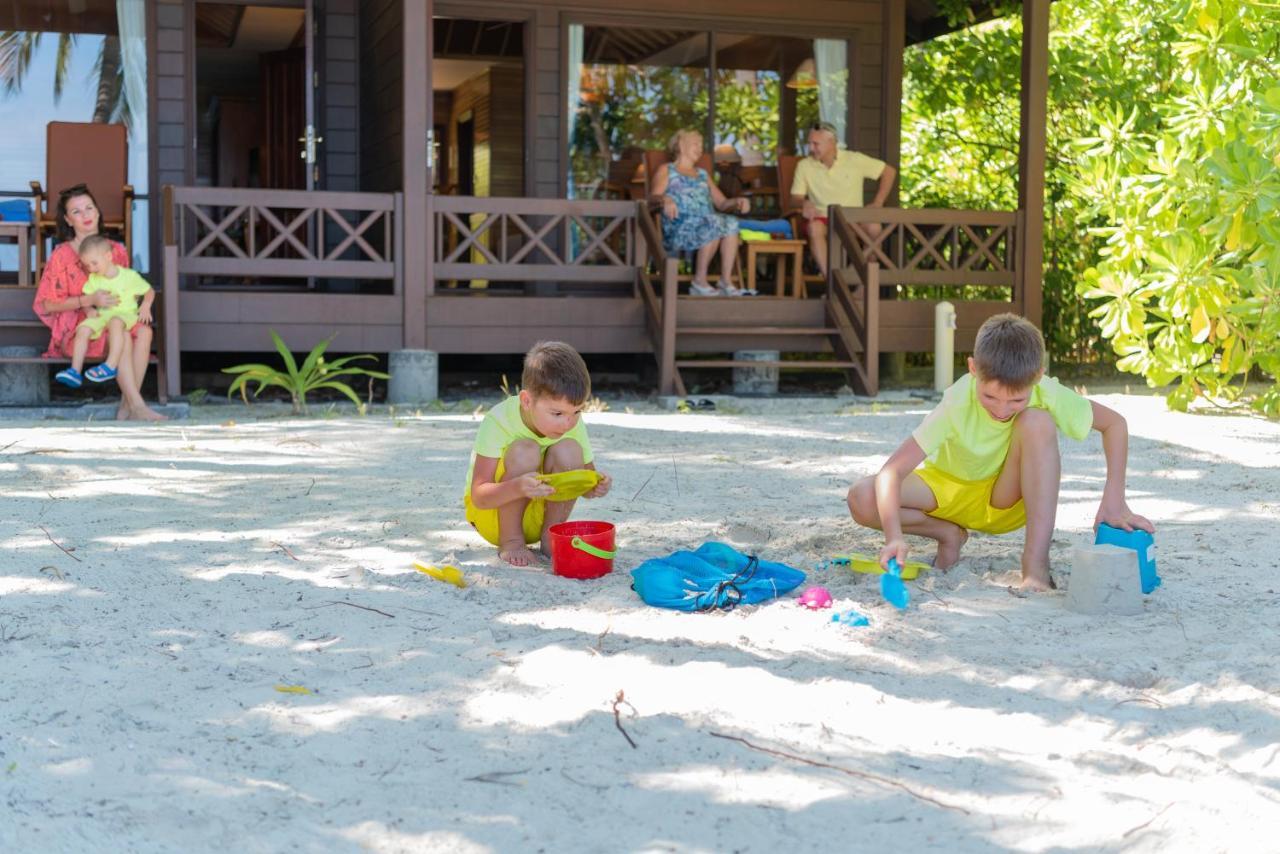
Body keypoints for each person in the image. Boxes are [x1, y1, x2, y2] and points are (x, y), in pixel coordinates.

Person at [846, 313, 1154, 592]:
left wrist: (1114, 498)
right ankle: (948, 535)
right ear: (972, 369)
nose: (1001, 409)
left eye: (1016, 400)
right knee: (862, 496)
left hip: (1006, 498)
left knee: (1037, 420)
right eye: (990, 396)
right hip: (949, 491)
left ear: (1037, 376)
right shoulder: (957, 400)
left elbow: (1115, 424)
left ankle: (1035, 565)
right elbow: (892, 472)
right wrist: (894, 536)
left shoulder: (1045, 391)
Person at [465, 341, 613, 567]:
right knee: (525, 448)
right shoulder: (498, 421)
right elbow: (479, 496)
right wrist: (517, 486)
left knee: (569, 448)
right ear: (527, 401)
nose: (567, 422)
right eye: (557, 413)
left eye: (577, 411)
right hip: (494, 517)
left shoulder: (571, 422)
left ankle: (550, 538)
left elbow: (584, 481)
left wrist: (595, 486)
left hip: (539, 516)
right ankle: (512, 541)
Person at [32, 184, 165, 421]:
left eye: (89, 208)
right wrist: (88, 300)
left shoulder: (115, 251)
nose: (85, 215)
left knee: (144, 332)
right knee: (122, 334)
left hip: (115, 316)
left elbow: (127, 289)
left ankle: (126, 406)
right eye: (76, 211)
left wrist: (139, 305)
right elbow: (47, 305)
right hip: (81, 329)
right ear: (68, 220)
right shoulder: (61, 255)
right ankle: (138, 405)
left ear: (98, 212)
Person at [789, 121, 897, 278]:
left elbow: (889, 172)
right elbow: (795, 199)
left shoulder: (854, 160)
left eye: (816, 144)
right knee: (814, 228)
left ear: (831, 142)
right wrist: (804, 203)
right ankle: (832, 284)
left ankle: (862, 285)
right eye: (809, 143)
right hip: (823, 218)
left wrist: (878, 202)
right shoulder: (804, 165)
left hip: (853, 219)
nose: (811, 148)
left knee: (874, 227)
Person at [650, 129, 750, 296]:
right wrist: (665, 199)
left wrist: (738, 201)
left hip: (707, 222)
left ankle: (725, 281)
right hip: (679, 227)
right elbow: (652, 197)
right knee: (714, 221)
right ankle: (699, 281)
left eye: (701, 144)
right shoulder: (667, 170)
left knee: (731, 221)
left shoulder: (703, 174)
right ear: (681, 145)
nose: (700, 148)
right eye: (695, 144)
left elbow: (722, 203)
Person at [54, 235, 154, 388]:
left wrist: (146, 306)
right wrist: (88, 311)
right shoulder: (94, 279)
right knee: (83, 329)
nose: (92, 268)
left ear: (108, 256)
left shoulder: (129, 276)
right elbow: (87, 298)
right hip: (103, 316)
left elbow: (149, 291)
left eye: (95, 263)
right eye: (88, 265)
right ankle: (75, 371)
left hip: (124, 315)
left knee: (115, 321)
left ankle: (110, 366)